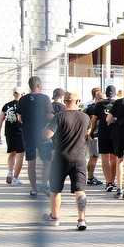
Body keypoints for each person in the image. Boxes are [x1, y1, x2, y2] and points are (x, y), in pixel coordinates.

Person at [42, 92, 91, 230]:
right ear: (77, 101)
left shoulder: (59, 116)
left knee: (55, 190)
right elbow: (88, 132)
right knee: (80, 190)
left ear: (64, 101)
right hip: (80, 158)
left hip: (60, 158)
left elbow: (47, 134)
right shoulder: (85, 117)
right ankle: (82, 219)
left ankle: (54, 217)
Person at [16, 76, 54, 198]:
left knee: (31, 162)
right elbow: (49, 116)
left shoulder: (23, 99)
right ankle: (44, 184)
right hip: (43, 135)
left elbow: (20, 118)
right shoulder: (45, 98)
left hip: (28, 134)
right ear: (38, 85)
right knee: (47, 160)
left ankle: (33, 189)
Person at [0, 87, 25, 185]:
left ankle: (10, 171)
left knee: (12, 153)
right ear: (22, 94)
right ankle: (16, 178)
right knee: (20, 155)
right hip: (20, 132)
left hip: (9, 132)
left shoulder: (6, 106)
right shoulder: (23, 106)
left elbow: (0, 120)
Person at [91, 86, 118, 192]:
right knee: (114, 158)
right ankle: (113, 181)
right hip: (115, 134)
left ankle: (108, 182)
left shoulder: (99, 104)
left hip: (103, 133)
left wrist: (90, 132)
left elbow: (93, 121)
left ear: (106, 93)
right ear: (115, 93)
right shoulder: (118, 103)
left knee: (105, 158)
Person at [84, 88, 104, 185]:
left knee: (93, 156)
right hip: (93, 136)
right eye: (102, 99)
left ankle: (90, 177)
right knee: (94, 156)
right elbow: (92, 122)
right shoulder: (94, 109)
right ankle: (90, 178)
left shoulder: (89, 107)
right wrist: (90, 134)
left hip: (90, 135)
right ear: (97, 99)